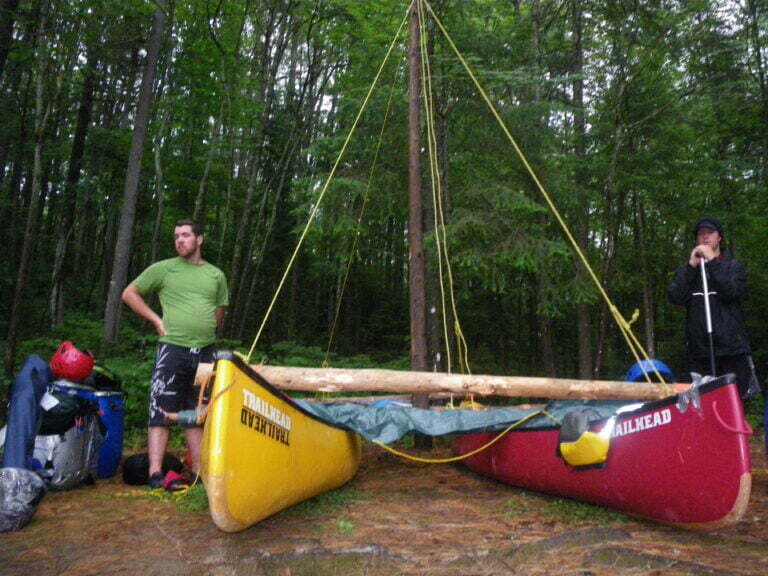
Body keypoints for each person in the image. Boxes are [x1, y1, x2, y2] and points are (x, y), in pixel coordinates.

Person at [122, 219, 228, 488]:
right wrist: (156, 321)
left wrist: (207, 331)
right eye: (176, 236)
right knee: (162, 408)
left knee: (197, 410)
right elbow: (130, 293)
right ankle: (155, 474)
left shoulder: (215, 275)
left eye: (186, 235)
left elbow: (219, 310)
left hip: (205, 353)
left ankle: (199, 472)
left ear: (199, 239)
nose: (180, 240)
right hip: (173, 349)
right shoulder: (164, 269)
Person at [667, 217, 759, 398]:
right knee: (703, 402)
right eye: (701, 234)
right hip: (699, 352)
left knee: (737, 400)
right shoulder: (688, 271)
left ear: (719, 238)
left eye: (710, 233)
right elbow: (675, 297)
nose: (705, 238)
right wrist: (692, 266)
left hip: (731, 349)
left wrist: (712, 262)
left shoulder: (733, 266)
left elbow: (732, 292)